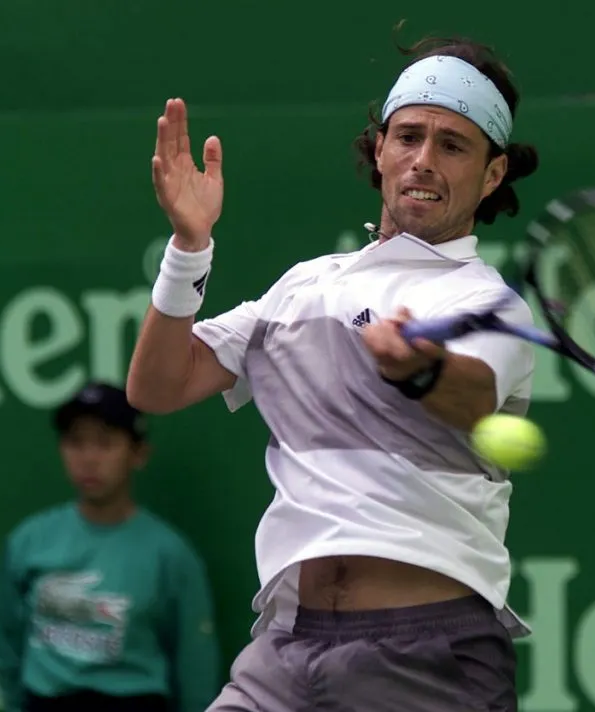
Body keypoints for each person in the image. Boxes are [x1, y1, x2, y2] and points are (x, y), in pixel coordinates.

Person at [128, 33, 540, 711]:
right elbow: (157, 386)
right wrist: (189, 248)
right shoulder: (303, 288)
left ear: (492, 175)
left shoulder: (487, 303)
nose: (423, 161)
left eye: (453, 145)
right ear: (379, 150)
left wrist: (421, 369)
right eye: (408, 137)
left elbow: (473, 393)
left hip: (427, 657)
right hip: (286, 651)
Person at [0, 382, 221, 712]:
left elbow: (195, 662)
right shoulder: (29, 540)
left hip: (133, 700)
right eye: (75, 443)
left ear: (138, 454)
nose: (89, 459)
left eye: (105, 443)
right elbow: (2, 639)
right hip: (47, 699)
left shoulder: (170, 554)